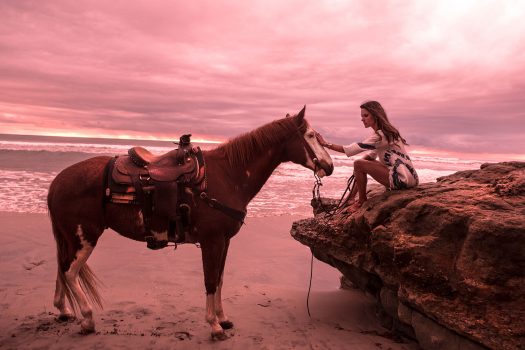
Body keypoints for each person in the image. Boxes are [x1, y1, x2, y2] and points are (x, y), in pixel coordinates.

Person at [316, 101, 418, 212]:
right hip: (412, 179)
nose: (362, 119)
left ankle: (361, 201)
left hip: (401, 180)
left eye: (366, 115)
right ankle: (350, 199)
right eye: (362, 116)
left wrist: (325, 144)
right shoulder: (386, 133)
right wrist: (358, 170)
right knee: (360, 164)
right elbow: (371, 156)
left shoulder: (380, 135)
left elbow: (350, 150)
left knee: (358, 164)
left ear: (375, 115)